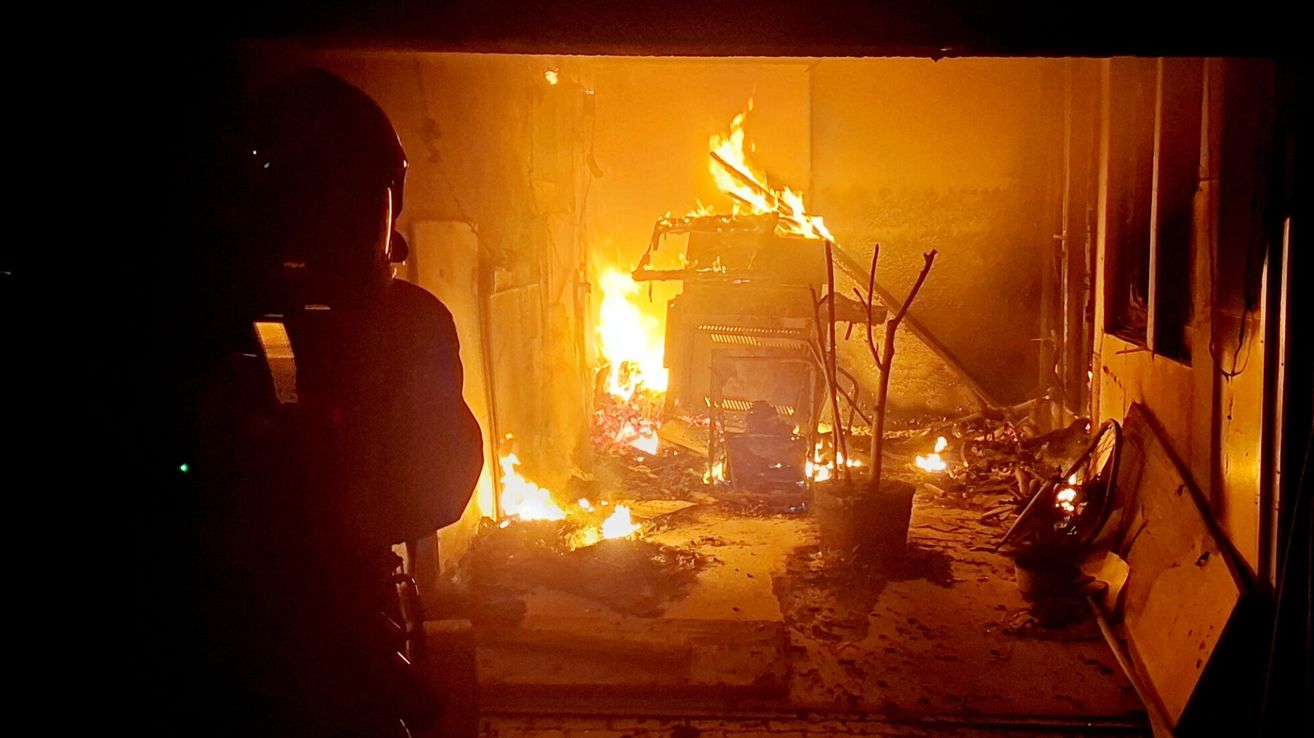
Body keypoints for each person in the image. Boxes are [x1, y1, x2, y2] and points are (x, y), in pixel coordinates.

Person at [173, 68, 482, 736]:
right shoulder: (400, 324)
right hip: (295, 634)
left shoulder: (243, 329)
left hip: (267, 630)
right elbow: (439, 487)